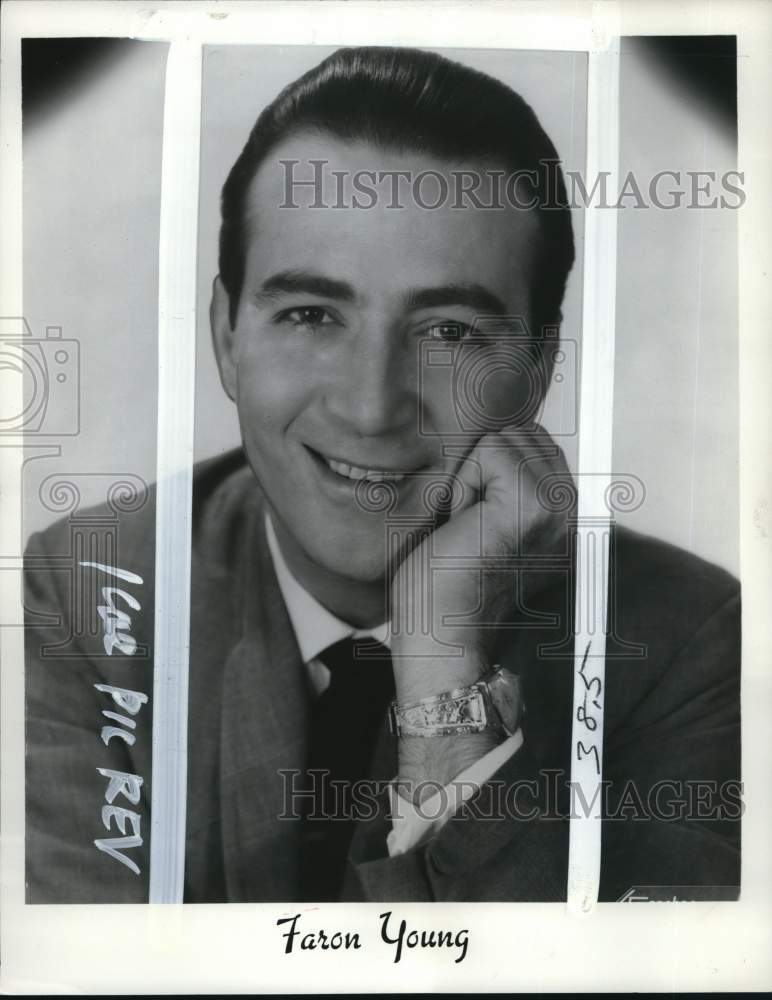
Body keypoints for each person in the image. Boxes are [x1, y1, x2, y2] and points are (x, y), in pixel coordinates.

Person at [24, 46, 741, 904]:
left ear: (540, 367)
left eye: (449, 333)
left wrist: (446, 660)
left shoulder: (685, 642)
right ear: (225, 337)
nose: (372, 408)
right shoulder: (92, 589)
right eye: (311, 314)